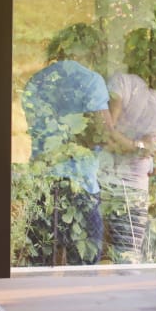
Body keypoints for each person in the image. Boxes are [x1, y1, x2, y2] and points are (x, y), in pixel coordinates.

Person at [22, 23, 112, 265]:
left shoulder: (36, 82)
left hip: (42, 183)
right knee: (84, 266)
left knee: (38, 266)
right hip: (80, 184)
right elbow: (103, 133)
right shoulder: (91, 81)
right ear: (91, 50)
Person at [103, 46, 156, 262]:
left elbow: (108, 132)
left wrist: (129, 144)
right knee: (127, 256)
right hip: (135, 187)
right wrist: (142, 148)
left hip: (104, 179)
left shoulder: (122, 83)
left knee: (95, 256)